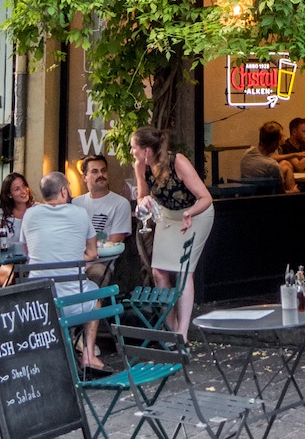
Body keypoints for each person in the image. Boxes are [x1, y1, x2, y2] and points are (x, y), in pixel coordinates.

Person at [132, 126, 214, 339]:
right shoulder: (141, 166)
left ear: (147, 150)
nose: (132, 152)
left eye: (134, 148)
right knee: (159, 272)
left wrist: (189, 214)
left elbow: (205, 198)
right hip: (168, 216)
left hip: (196, 214)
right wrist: (144, 202)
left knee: (183, 271)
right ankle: (170, 329)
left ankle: (182, 333)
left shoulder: (178, 162)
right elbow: (141, 197)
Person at [21, 171, 103, 370]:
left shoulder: (30, 214)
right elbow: (92, 253)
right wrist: (72, 258)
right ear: (64, 191)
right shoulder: (79, 213)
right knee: (96, 297)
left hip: (38, 303)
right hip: (72, 302)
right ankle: (89, 355)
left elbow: (28, 254)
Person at [72, 154, 134, 245]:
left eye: (103, 170)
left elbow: (114, 243)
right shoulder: (76, 203)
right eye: (94, 171)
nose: (100, 175)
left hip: (106, 258)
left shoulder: (121, 204)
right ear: (84, 177)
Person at [0, 171, 35, 286]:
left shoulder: (37, 211)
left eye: (24, 186)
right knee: (11, 275)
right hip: (8, 262)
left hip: (32, 260)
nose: (23, 191)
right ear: (9, 195)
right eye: (17, 189)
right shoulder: (1, 215)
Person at [239, 121, 297, 193]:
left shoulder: (247, 153)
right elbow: (281, 193)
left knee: (285, 164)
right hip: (267, 200)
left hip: (248, 197)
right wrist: (294, 191)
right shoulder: (272, 165)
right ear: (274, 144)